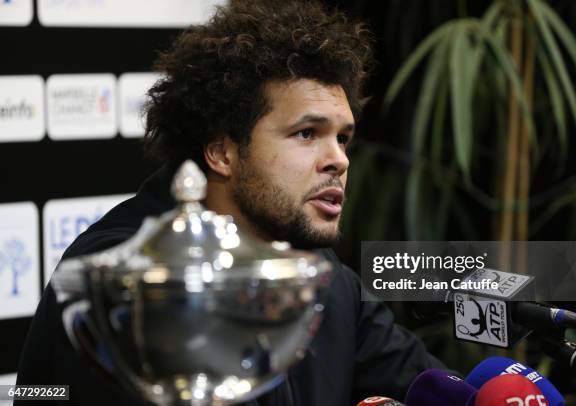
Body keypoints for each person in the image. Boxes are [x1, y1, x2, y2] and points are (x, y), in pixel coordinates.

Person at [16, 1, 451, 404]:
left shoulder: (323, 276)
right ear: (222, 152)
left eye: (342, 138)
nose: (337, 159)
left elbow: (426, 382)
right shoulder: (131, 280)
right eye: (306, 134)